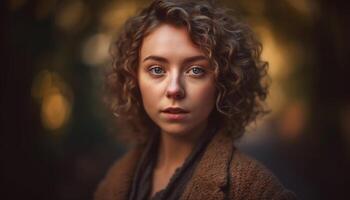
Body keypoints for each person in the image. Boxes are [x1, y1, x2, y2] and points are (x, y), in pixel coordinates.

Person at [95, 0, 297, 199]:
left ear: (223, 81)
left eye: (195, 70)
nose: (174, 89)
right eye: (157, 70)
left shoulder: (254, 188)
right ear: (134, 78)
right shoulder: (116, 180)